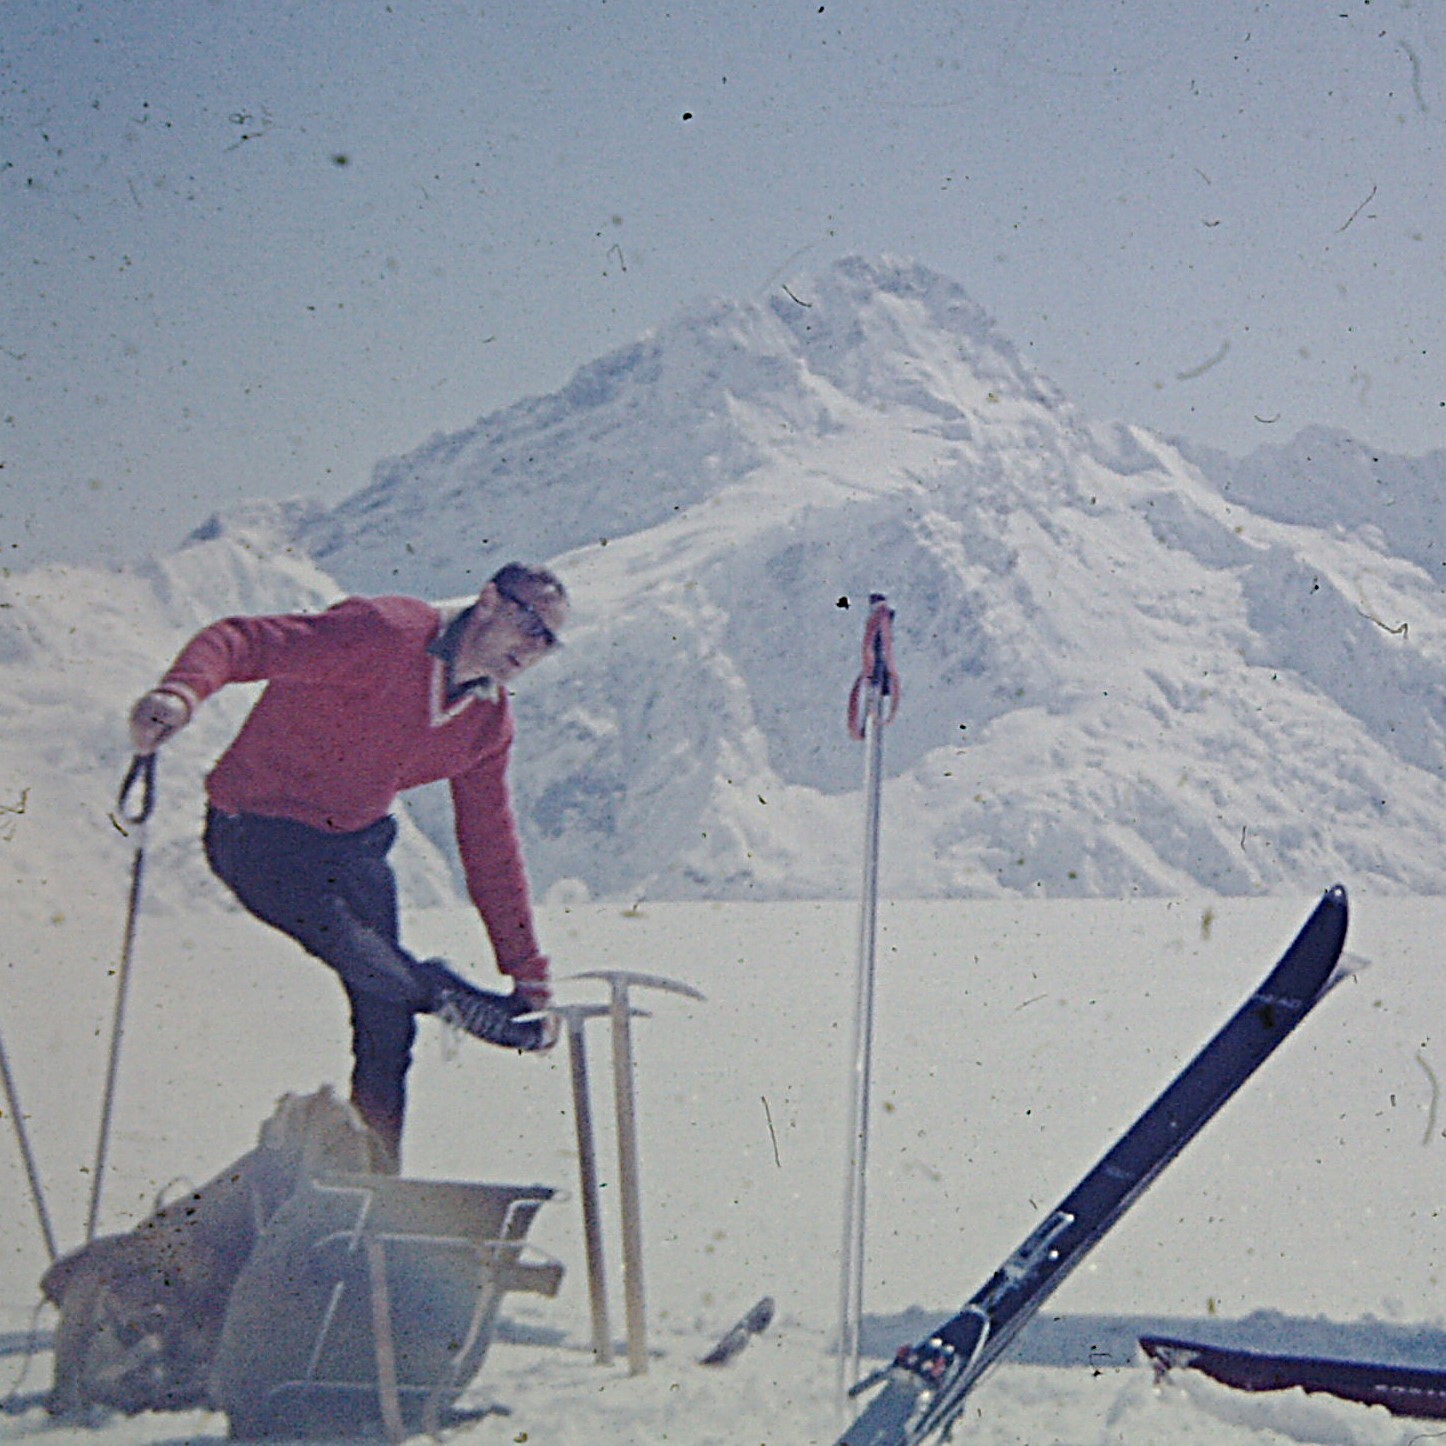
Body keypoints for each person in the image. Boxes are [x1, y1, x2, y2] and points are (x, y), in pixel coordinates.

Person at [127, 562, 569, 1173]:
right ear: (488, 600)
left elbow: (490, 845)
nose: (535, 647)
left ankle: (374, 1189)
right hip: (257, 836)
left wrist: (528, 973)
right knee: (376, 966)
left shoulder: (486, 724)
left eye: (550, 641)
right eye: (530, 624)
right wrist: (179, 693)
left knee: (387, 1020)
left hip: (353, 848)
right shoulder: (384, 632)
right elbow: (240, 640)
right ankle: (439, 991)